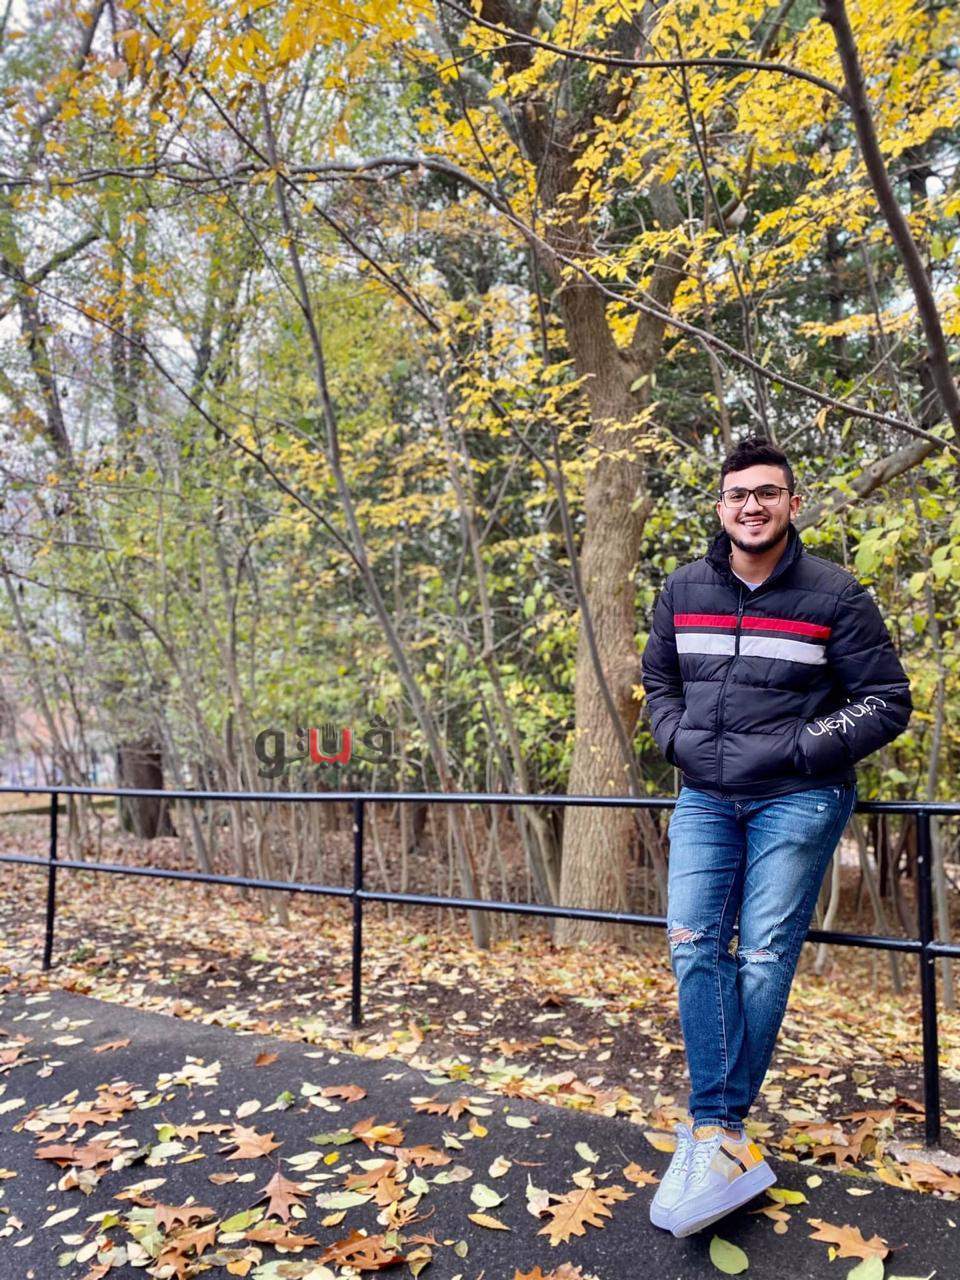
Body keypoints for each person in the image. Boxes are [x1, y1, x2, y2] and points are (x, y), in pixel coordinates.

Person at [639, 436, 912, 1238]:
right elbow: (658, 682)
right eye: (738, 494)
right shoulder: (683, 588)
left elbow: (885, 701)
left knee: (761, 953)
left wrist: (797, 748)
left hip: (798, 795)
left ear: (792, 503)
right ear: (721, 507)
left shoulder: (836, 594)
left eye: (766, 493)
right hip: (706, 796)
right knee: (693, 943)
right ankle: (719, 1136)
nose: (751, 506)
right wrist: (677, 740)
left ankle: (713, 1133)